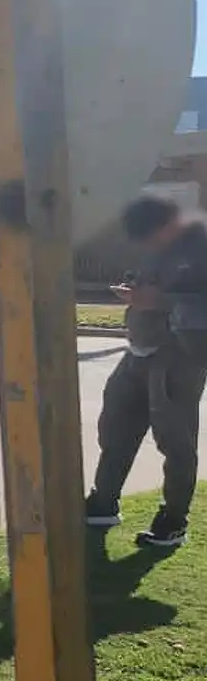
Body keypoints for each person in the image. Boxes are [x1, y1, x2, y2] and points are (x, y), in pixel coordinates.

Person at [85, 195, 207, 548]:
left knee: (176, 443)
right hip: (137, 350)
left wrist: (162, 302)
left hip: (179, 357)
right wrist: (135, 289)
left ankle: (173, 522)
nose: (147, 244)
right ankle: (103, 503)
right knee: (116, 428)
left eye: (150, 236)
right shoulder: (159, 248)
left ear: (169, 223)